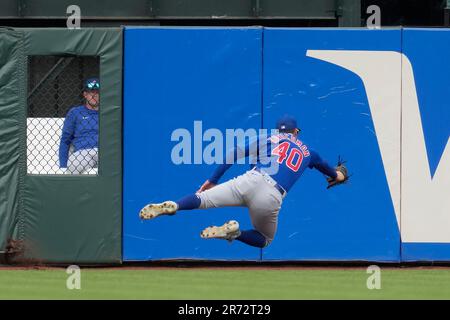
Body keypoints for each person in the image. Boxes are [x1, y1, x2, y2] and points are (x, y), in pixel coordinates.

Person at [139, 115, 346, 248]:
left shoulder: (270, 139)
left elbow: (234, 153)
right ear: (296, 132)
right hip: (272, 195)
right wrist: (340, 175)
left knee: (201, 199)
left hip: (249, 180)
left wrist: (213, 179)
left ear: (278, 131)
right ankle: (235, 233)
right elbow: (336, 175)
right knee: (265, 239)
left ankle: (175, 205)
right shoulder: (309, 152)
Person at [59, 77, 100, 174]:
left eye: (97, 92)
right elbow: (65, 140)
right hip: (83, 152)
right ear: (85, 94)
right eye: (91, 92)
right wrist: (63, 166)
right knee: (74, 167)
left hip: (105, 152)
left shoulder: (108, 113)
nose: (94, 95)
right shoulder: (76, 112)